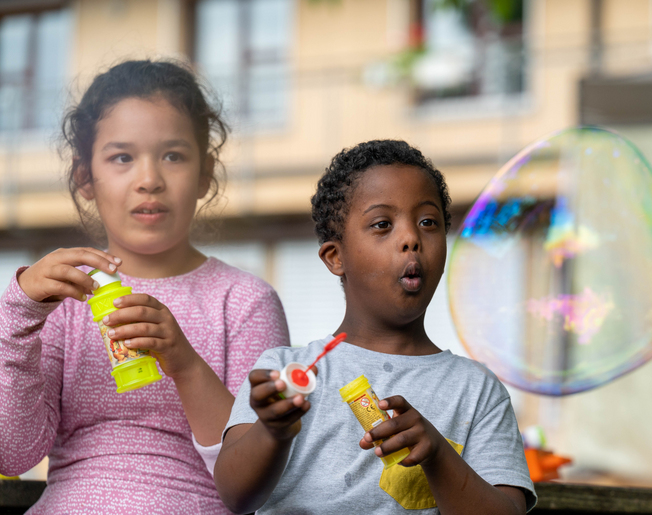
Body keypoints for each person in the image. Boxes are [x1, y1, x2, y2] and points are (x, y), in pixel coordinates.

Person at [0, 60, 290, 513]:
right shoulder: (63, 299)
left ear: (204, 173)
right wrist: (19, 315)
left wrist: (186, 363)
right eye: (122, 158)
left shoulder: (245, 301)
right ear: (85, 177)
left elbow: (254, 477)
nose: (149, 180)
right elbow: (14, 454)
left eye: (173, 155)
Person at [214, 140, 537, 514]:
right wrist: (273, 432)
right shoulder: (284, 373)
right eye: (383, 224)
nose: (411, 238)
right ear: (336, 258)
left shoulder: (476, 390)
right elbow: (235, 497)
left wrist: (437, 455)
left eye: (428, 222)